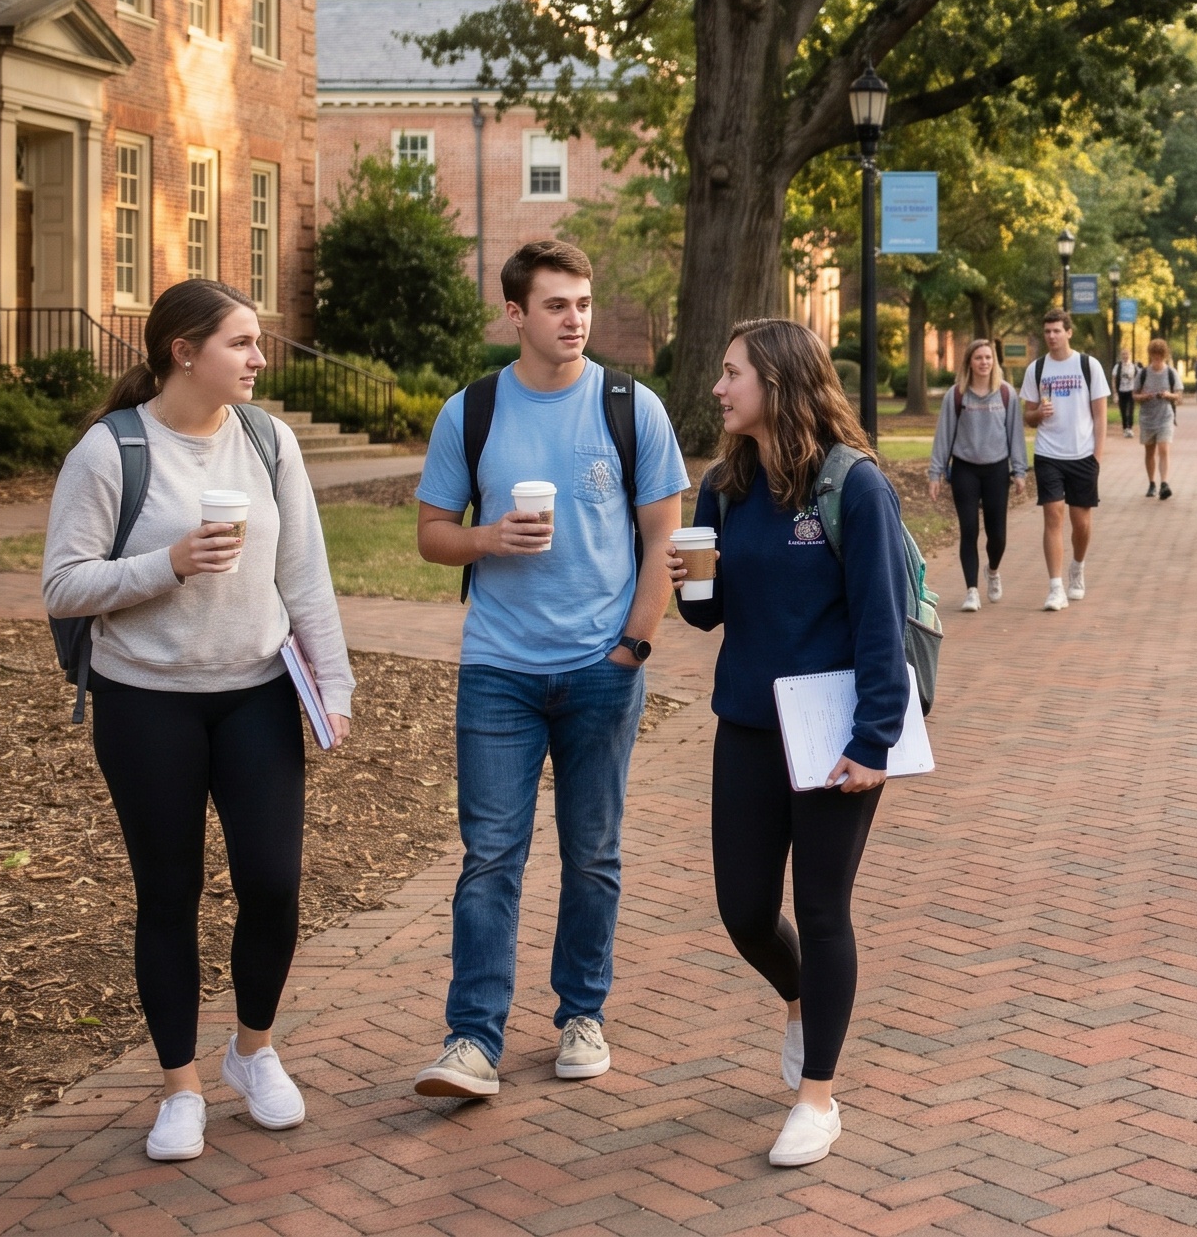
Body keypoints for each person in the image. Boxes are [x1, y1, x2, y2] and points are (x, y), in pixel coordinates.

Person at [41, 279, 353, 1162]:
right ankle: (180, 1088)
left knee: (273, 884)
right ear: (185, 352)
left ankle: (252, 1049)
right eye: (243, 343)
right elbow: (63, 586)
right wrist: (167, 563)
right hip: (144, 702)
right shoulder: (112, 451)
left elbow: (306, 574)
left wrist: (333, 685)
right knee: (168, 895)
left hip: (256, 691)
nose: (260, 359)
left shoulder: (268, 439)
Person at [410, 241, 689, 1098]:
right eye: (557, 306)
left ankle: (581, 1015)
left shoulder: (629, 406)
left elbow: (663, 540)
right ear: (516, 314)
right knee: (490, 856)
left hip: (602, 669)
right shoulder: (473, 411)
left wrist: (633, 646)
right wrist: (490, 537)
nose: (575, 320)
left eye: (584, 304)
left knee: (593, 853)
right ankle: (472, 1041)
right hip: (498, 667)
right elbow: (431, 534)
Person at [673, 319, 909, 1169]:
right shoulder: (725, 486)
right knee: (743, 909)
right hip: (745, 725)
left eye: (730, 372)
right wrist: (689, 582)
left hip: (834, 734)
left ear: (776, 382)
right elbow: (708, 616)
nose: (717, 387)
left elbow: (882, 621)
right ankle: (800, 998)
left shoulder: (854, 487)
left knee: (821, 906)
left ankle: (818, 1097)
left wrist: (873, 741)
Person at [926, 338, 1028, 612]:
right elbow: (943, 435)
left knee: (998, 536)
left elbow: (1015, 435)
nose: (984, 362)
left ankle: (992, 570)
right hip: (965, 469)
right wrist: (935, 473)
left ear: (994, 362)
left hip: (996, 469)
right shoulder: (956, 395)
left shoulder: (1006, 394)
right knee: (968, 530)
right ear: (969, 362)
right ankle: (971, 589)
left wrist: (1019, 471)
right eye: (978, 358)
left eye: (988, 358)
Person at [1022, 310, 1108, 611]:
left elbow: (1100, 415)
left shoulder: (1088, 366)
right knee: (1053, 513)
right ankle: (1055, 587)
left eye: (1057, 330)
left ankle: (1078, 566)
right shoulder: (1037, 369)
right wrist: (1037, 415)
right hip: (1049, 454)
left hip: (1083, 454)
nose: (1051, 336)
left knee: (1081, 523)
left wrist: (1097, 456)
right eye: (1047, 331)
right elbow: (1028, 417)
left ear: (1069, 332)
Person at [1134, 338, 1182, 499]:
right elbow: (1135, 394)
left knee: (1164, 449)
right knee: (1149, 451)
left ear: (1164, 355)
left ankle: (1164, 483)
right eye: (1154, 355)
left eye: (1160, 356)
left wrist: (1168, 395)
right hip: (1147, 418)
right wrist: (1144, 396)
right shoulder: (1144, 373)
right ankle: (1152, 483)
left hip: (1165, 417)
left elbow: (1179, 397)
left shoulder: (1171, 373)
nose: (1157, 359)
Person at [1111, 351, 1139, 439]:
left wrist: (1138, 391)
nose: (1125, 356)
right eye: (1123, 354)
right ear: (1121, 356)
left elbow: (1138, 379)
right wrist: (1115, 393)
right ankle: (1125, 428)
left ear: (1129, 355)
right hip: (1121, 391)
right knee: (1123, 410)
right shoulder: (1118, 367)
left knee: (1130, 410)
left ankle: (1129, 428)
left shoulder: (1133, 366)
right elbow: (1114, 380)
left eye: (1127, 354)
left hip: (1131, 391)